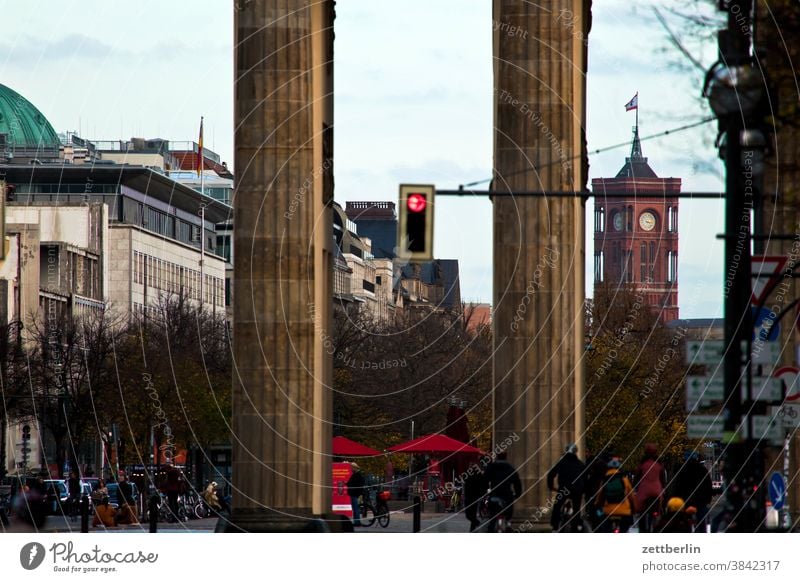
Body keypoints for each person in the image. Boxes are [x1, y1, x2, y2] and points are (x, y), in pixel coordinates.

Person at [547, 443, 586, 532]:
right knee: (576, 509)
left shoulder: (561, 463)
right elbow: (586, 478)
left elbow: (551, 475)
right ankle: (575, 527)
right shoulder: (580, 464)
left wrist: (551, 486)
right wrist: (583, 490)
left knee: (557, 506)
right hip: (577, 490)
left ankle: (555, 527)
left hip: (564, 489)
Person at [673, 451, 713, 531]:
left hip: (686, 500)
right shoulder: (702, 470)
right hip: (701, 500)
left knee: (683, 520)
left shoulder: (682, 470)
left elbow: (677, 486)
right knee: (702, 520)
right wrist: (708, 498)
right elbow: (708, 485)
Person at [484, 452, 522, 532]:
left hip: (494, 494)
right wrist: (517, 494)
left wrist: (485, 491)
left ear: (497, 457)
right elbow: (517, 483)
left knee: (492, 515)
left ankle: (491, 529)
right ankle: (508, 524)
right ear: (506, 457)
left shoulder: (491, 467)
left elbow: (484, 480)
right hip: (507, 495)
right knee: (508, 511)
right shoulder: (510, 468)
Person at [595, 458, 636, 532]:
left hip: (609, 512)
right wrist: (634, 508)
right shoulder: (624, 480)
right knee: (624, 530)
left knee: (605, 528)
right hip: (624, 512)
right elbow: (631, 496)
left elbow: (599, 498)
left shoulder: (605, 480)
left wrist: (598, 505)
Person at [634, 443, 667, 533]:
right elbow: (662, 478)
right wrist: (663, 488)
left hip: (644, 489)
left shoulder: (643, 463)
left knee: (640, 509)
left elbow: (637, 477)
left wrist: (635, 487)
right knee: (659, 506)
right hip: (656, 489)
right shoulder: (659, 463)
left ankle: (642, 529)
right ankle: (657, 517)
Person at [462, 462, 487, 532]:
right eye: (470, 465)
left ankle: (474, 528)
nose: (471, 466)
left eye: (472, 465)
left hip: (474, 496)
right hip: (468, 496)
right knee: (469, 515)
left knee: (471, 514)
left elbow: (483, 484)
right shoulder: (467, 474)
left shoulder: (478, 474)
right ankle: (474, 527)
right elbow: (463, 479)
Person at [346, 462, 366, 526]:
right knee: (355, 508)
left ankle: (357, 522)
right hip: (355, 493)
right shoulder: (357, 475)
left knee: (355, 509)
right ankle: (356, 521)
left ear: (354, 468)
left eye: (352, 468)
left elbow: (352, 483)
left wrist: (348, 484)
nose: (351, 469)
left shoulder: (357, 475)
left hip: (354, 494)